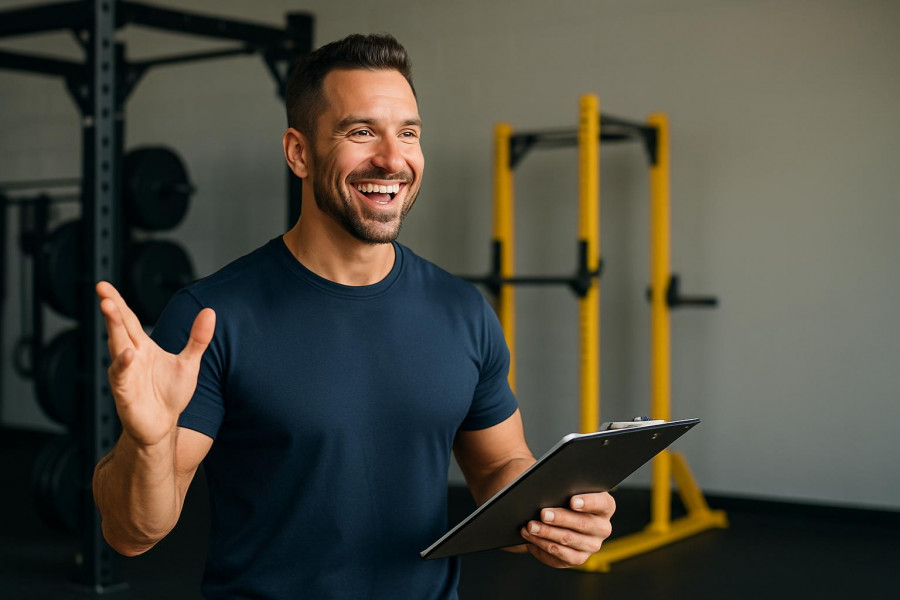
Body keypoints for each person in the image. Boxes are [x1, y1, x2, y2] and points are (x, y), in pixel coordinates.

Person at [92, 34, 615, 599]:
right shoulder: (211, 320)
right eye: (361, 132)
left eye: (408, 133)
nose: (393, 159)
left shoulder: (463, 310)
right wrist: (146, 446)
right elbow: (133, 534)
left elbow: (499, 466)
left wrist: (553, 515)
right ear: (298, 152)